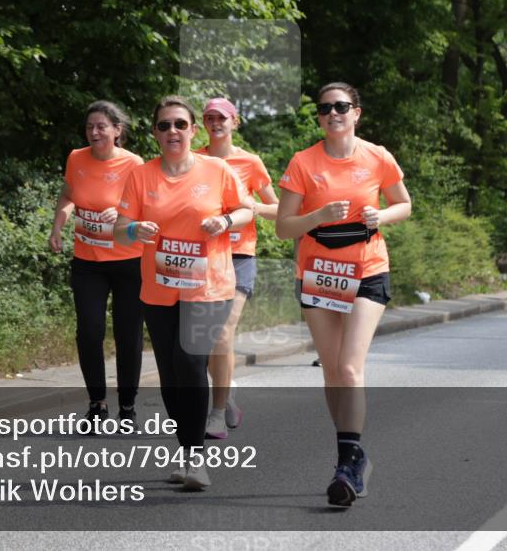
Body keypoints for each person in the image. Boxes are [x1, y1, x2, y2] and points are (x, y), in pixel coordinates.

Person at [276, 82, 412, 508]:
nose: (332, 113)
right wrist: (317, 215)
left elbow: (404, 204)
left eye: (341, 106)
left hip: (368, 270)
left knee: (350, 368)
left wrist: (381, 215)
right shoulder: (303, 162)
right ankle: (355, 456)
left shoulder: (377, 156)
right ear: (319, 117)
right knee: (332, 371)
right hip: (319, 273)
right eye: (325, 108)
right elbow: (283, 226)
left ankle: (345, 464)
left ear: (357, 113)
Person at [114, 95, 252, 491]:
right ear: (156, 133)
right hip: (157, 289)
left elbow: (247, 210)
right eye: (163, 126)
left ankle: (196, 458)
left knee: (190, 363)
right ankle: (186, 451)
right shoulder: (142, 175)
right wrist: (133, 230)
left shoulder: (217, 168)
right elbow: (119, 226)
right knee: (172, 374)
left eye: (179, 124)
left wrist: (224, 221)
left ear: (193, 130)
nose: (172, 131)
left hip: (210, 286)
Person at [49, 101, 145, 426]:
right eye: (90, 127)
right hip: (88, 260)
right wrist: (57, 227)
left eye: (102, 126)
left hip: (129, 261)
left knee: (127, 333)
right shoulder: (77, 158)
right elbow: (67, 196)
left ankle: (128, 407)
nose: (94, 132)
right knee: (89, 330)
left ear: (117, 130)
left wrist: (122, 213)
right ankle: (97, 404)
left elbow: (148, 209)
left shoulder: (134, 164)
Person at [196, 97, 278, 440]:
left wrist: (248, 209)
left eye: (222, 118)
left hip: (240, 256)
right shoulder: (194, 159)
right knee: (202, 339)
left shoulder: (250, 161)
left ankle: (216, 413)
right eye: (210, 117)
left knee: (222, 331)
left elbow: (278, 209)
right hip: (201, 256)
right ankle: (225, 394)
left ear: (235, 122)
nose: (216, 123)